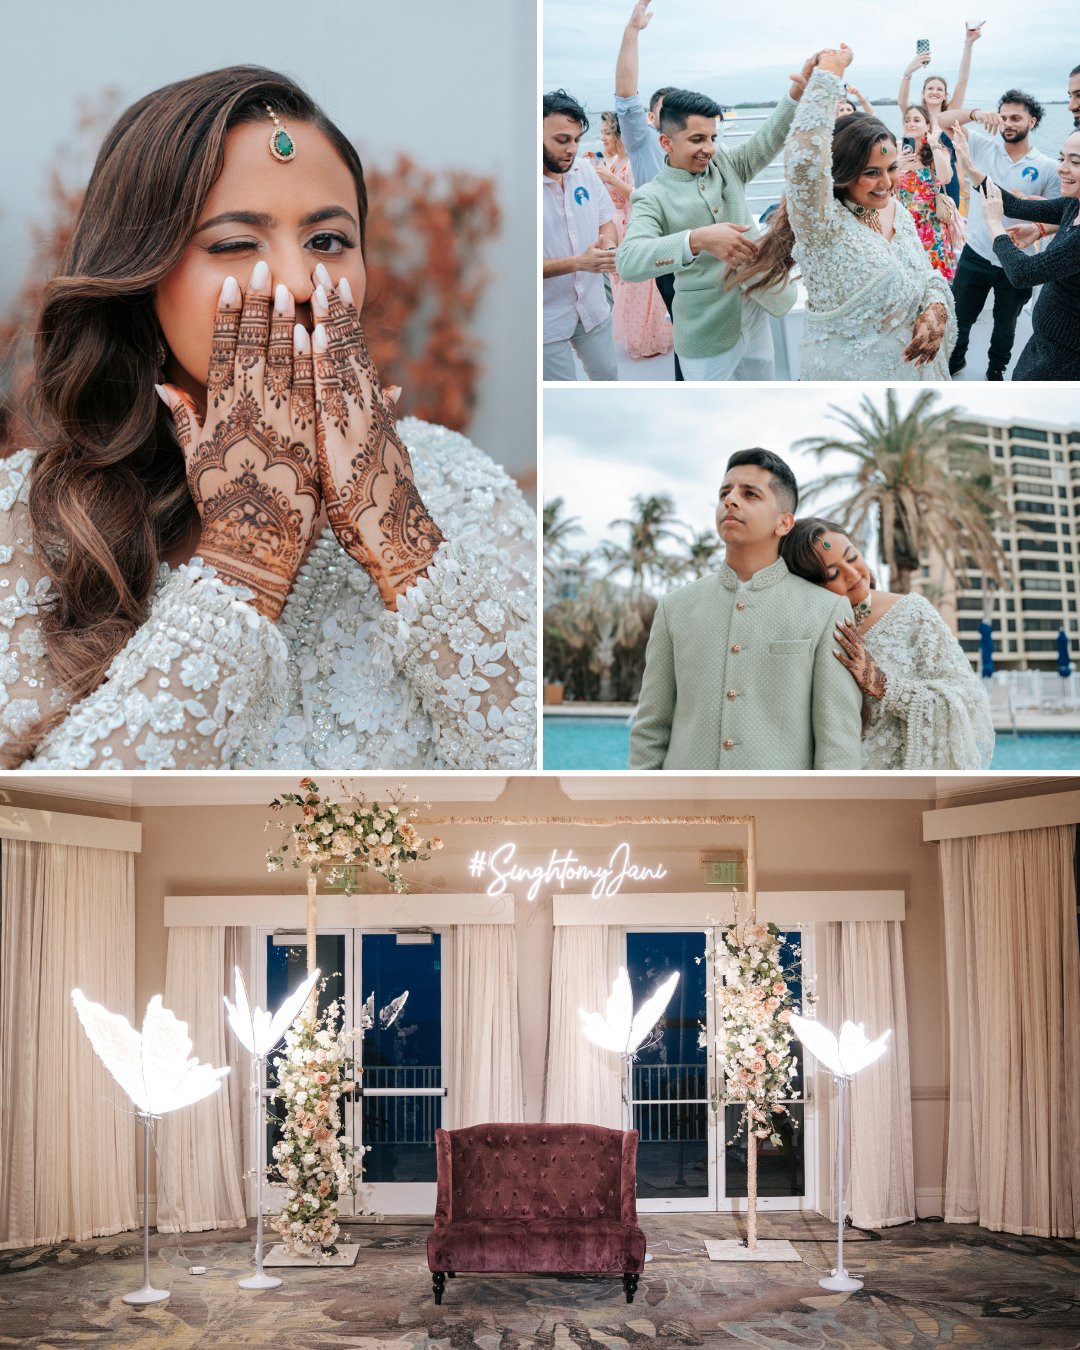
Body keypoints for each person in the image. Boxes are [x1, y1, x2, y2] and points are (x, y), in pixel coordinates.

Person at [0, 66, 536, 771]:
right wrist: (242, 565)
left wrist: (405, 545)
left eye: (327, 242)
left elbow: (540, 768)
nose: (294, 282)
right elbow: (40, 836)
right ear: (140, 277)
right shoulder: (33, 515)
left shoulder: (461, 487)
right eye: (232, 245)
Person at [628, 450, 862, 770]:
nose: (731, 500)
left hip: (781, 809)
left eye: (749, 494)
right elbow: (650, 730)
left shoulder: (825, 610)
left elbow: (838, 744)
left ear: (784, 522)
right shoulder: (675, 608)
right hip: (683, 807)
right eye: (725, 492)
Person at [734, 46, 955, 381]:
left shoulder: (898, 212)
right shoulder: (821, 226)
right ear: (843, 172)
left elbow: (927, 276)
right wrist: (828, 75)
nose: (886, 183)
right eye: (871, 173)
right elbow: (805, 164)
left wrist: (936, 311)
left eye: (891, 168)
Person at [616, 57, 819, 381]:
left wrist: (796, 93)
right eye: (697, 139)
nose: (709, 148)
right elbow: (628, 261)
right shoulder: (651, 196)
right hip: (706, 334)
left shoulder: (726, 164)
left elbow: (767, 140)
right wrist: (697, 240)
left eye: (713, 137)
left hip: (756, 310)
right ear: (666, 142)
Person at [779, 519, 994, 770]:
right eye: (833, 573)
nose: (853, 574)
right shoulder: (806, 631)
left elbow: (967, 700)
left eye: (851, 557)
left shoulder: (912, 613)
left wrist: (882, 685)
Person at [937, 92, 1060, 379]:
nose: (1008, 124)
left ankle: (995, 370)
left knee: (1006, 326)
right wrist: (976, 114)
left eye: (1015, 118)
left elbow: (1058, 216)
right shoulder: (982, 146)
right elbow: (942, 120)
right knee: (960, 318)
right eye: (1003, 117)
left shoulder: (1048, 166)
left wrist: (1034, 218)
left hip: (1018, 262)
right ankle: (955, 360)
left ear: (1033, 121)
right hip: (976, 252)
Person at [954, 124, 1080, 380]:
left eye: (1075, 162)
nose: (1061, 168)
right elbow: (1014, 205)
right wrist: (971, 169)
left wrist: (994, 225)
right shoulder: (1073, 205)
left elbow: (1024, 272)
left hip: (1066, 356)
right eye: (1061, 158)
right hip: (1045, 342)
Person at [614, 0, 682, 377]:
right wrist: (632, 32)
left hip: (704, 248)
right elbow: (626, 95)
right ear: (654, 118)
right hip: (668, 253)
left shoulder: (700, 151)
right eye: (666, 111)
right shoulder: (643, 142)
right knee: (684, 329)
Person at [543, 88, 619, 381]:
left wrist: (609, 247)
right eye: (562, 140)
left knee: (608, 376)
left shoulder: (585, 171)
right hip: (546, 320)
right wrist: (578, 263)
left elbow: (607, 220)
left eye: (576, 140)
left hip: (592, 303)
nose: (572, 149)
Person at [589, 114, 674, 362]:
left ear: (618, 135)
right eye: (602, 132)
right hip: (614, 228)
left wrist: (611, 178)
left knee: (639, 288)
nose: (602, 137)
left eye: (606, 132)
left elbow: (639, 195)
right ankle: (633, 336)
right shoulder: (613, 160)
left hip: (631, 224)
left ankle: (649, 338)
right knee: (620, 287)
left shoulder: (633, 163)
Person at [898, 22, 984, 206]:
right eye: (930, 88)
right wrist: (908, 72)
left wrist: (968, 45)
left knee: (947, 225)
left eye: (939, 89)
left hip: (948, 177)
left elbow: (963, 80)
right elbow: (902, 101)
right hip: (918, 176)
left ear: (946, 94)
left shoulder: (950, 115)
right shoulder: (916, 118)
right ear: (923, 92)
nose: (934, 92)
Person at [894, 105, 958, 280]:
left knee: (935, 276)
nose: (910, 124)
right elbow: (885, 186)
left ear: (928, 126)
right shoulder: (896, 150)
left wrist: (934, 144)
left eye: (916, 120)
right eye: (907, 120)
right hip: (904, 225)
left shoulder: (938, 149)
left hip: (932, 225)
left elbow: (945, 178)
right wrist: (898, 164)